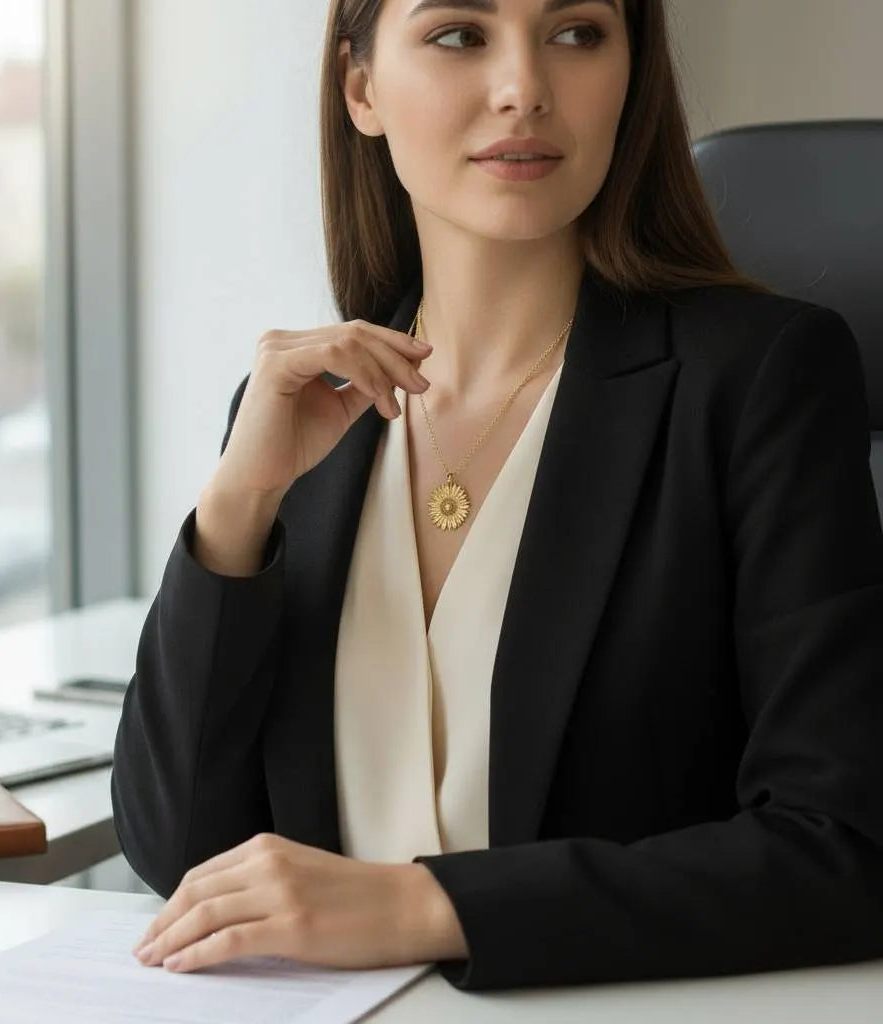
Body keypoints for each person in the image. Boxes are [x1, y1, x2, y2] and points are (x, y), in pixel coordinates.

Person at [112, 0, 883, 992]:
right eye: (458, 34)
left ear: (628, 74)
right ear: (361, 88)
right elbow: (175, 846)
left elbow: (843, 849)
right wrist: (236, 508)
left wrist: (420, 905)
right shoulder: (303, 414)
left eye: (576, 33)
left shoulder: (757, 378)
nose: (524, 87)